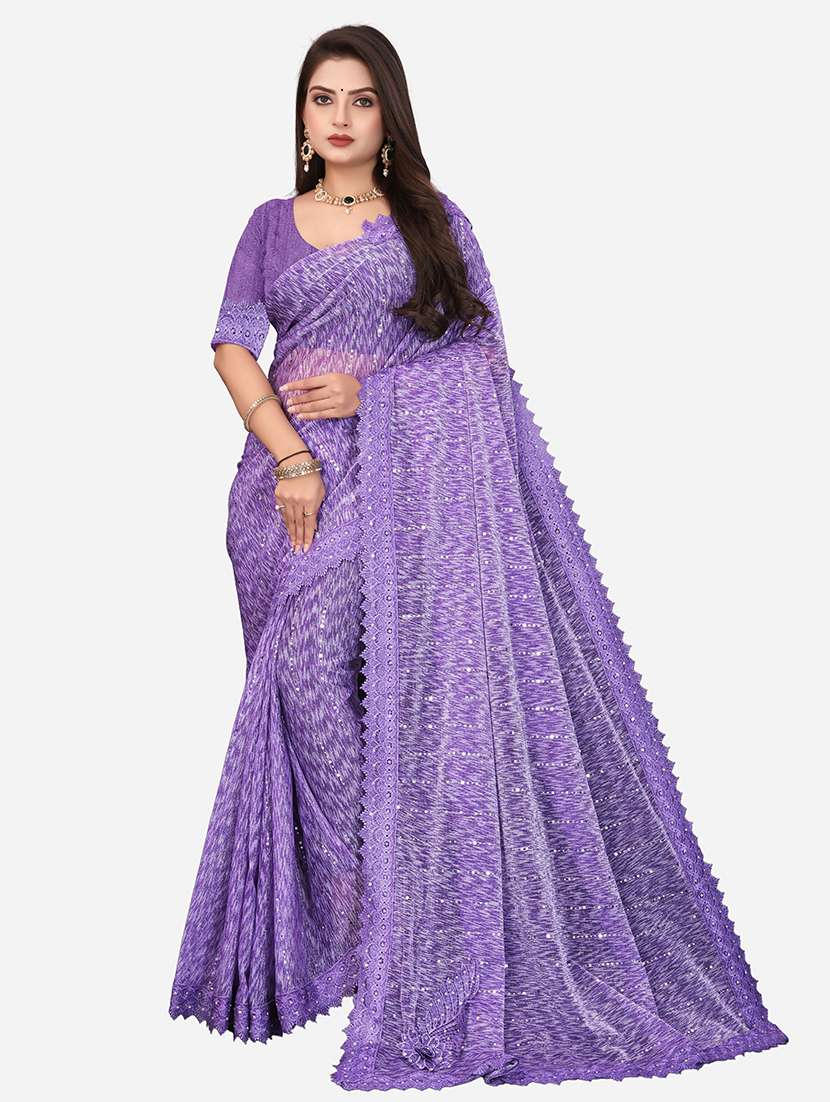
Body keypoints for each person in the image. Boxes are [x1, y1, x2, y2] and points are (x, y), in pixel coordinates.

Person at [168, 24, 788, 1092]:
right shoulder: (268, 225)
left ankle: (413, 931)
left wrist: (372, 395)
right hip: (285, 494)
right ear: (302, 117)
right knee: (306, 693)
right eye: (322, 98)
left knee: (413, 701)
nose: (340, 117)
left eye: (361, 100)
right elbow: (230, 343)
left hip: (412, 489)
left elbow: (484, 362)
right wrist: (293, 456)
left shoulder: (435, 221)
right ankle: (379, 928)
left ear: (388, 115)